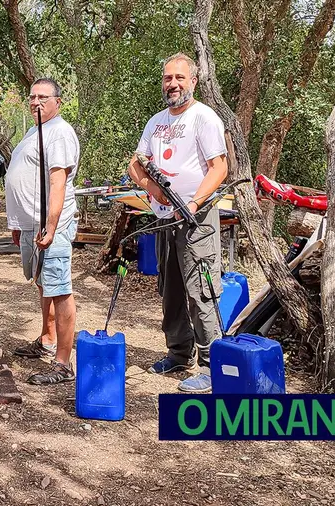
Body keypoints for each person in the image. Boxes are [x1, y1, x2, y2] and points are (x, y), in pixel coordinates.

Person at [127, 53, 228, 393]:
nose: (173, 84)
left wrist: (194, 202)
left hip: (195, 219)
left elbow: (219, 168)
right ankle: (178, 352)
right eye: (168, 78)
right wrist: (152, 188)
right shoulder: (156, 122)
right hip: (163, 218)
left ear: (193, 82)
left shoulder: (205, 118)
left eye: (180, 78)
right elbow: (136, 164)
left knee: (202, 290)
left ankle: (213, 366)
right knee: (168, 289)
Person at [5, 77, 80, 385]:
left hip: (53, 227)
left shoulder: (59, 132)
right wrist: (18, 225)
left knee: (59, 289)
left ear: (57, 102)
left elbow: (58, 183)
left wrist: (50, 227)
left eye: (43, 97)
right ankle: (48, 339)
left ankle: (63, 362)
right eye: (32, 97)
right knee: (43, 283)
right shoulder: (34, 131)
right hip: (31, 225)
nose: (36, 102)